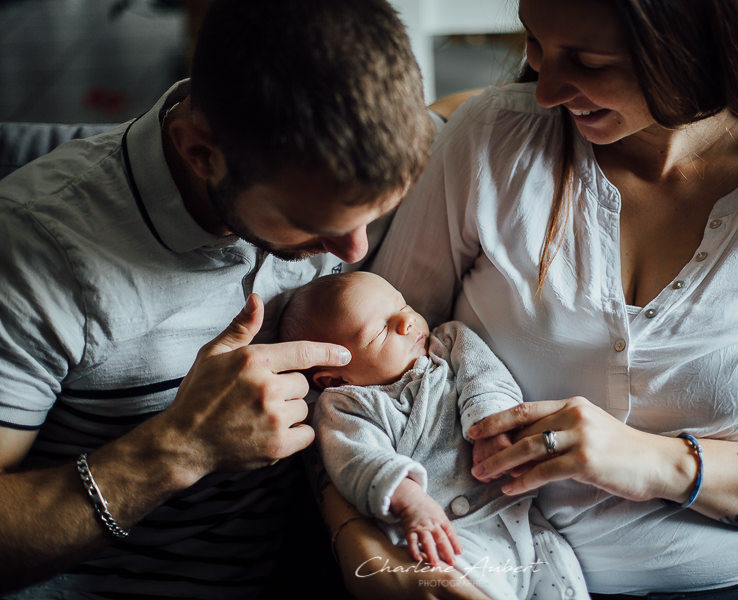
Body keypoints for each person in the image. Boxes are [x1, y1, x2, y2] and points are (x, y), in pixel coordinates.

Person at [332, 0, 738, 598]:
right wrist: (371, 552)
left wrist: (660, 463)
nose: (547, 89)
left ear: (697, 45)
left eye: (588, 61)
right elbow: (360, 379)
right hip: (509, 576)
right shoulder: (493, 142)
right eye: (536, 44)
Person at [0, 0, 435, 598]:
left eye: (375, 215)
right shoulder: (35, 250)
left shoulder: (344, 161)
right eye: (311, 224)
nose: (352, 249)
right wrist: (181, 446)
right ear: (201, 153)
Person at [280, 271, 590, 599]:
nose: (407, 321)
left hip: (522, 518)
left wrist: (490, 426)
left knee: (562, 576)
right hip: (449, 536)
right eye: (381, 330)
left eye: (402, 304)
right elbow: (357, 459)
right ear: (334, 380)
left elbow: (486, 376)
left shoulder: (449, 341)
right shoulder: (346, 405)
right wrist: (410, 501)